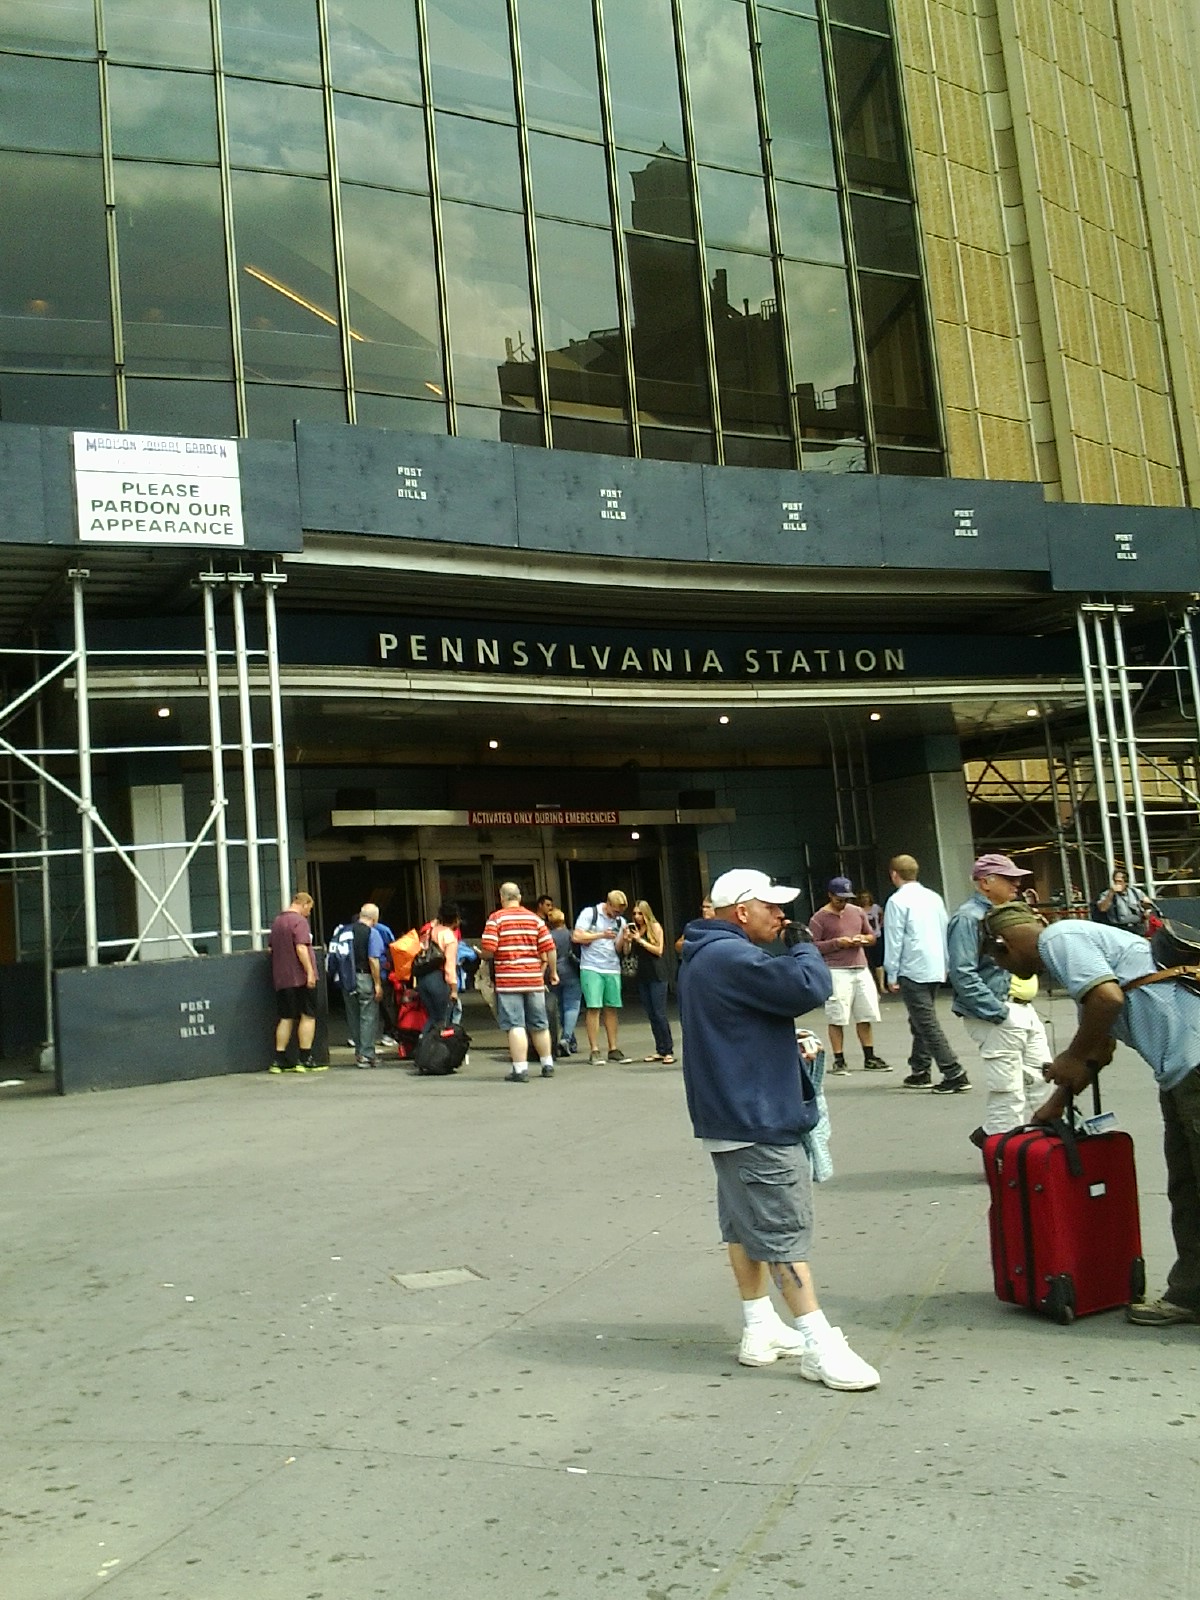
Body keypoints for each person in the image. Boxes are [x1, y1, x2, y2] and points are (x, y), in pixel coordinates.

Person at [678, 868, 879, 1390]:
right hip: (757, 1117)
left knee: (744, 1226)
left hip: (730, 1115)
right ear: (742, 911)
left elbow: (742, 1023)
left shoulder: (706, 955)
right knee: (784, 1234)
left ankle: (759, 1324)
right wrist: (806, 944)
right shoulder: (732, 956)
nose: (782, 915)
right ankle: (819, 1343)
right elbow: (806, 985)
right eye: (773, 906)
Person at [983, 901, 1200, 1328]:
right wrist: (1053, 1106)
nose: (1008, 971)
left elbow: (1107, 999)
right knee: (1188, 1191)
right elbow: (1099, 1047)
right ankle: (1190, 1295)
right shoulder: (1080, 953)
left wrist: (1069, 1054)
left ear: (1004, 944)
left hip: (1194, 1068)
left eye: (999, 960)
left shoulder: (1060, 938)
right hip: (1180, 1075)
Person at [947, 854, 1052, 1142]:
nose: (1016, 883)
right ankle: (1002, 1152)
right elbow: (961, 971)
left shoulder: (1006, 912)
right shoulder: (969, 918)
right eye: (1009, 879)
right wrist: (996, 1011)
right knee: (1008, 1090)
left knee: (1041, 1079)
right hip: (999, 1009)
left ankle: (1031, 1149)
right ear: (985, 882)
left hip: (1019, 1007)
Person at [884, 854, 970, 1093]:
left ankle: (953, 1070)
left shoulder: (897, 901)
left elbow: (894, 939)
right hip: (934, 965)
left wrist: (891, 973)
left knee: (926, 1022)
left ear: (894, 874)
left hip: (912, 966)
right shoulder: (934, 897)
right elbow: (945, 930)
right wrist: (946, 964)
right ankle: (919, 1069)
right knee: (920, 1019)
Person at [808, 876, 890, 1074]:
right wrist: (837, 943)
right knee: (837, 1015)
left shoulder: (857, 912)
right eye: (839, 899)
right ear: (830, 895)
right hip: (836, 969)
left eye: (846, 898)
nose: (843, 903)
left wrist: (863, 938)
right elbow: (812, 946)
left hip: (860, 966)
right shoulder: (819, 918)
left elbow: (871, 936)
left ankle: (869, 1056)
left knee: (865, 1013)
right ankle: (839, 1058)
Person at [481, 881, 559, 1082]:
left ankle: (520, 1069)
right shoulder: (535, 920)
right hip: (533, 979)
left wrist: (483, 954)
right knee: (540, 1024)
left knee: (516, 1024)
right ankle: (547, 1064)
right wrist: (553, 972)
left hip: (509, 980)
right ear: (520, 898)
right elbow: (549, 948)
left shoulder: (495, 919)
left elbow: (489, 949)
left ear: (501, 897)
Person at [573, 888, 631, 1064]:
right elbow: (576, 937)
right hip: (591, 966)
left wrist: (627, 940)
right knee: (594, 1007)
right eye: (615, 911)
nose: (616, 915)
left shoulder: (620, 921)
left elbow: (620, 950)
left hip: (612, 967)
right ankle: (594, 1050)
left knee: (612, 1008)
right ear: (608, 904)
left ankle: (613, 1048)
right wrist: (601, 935)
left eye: (620, 913)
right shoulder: (590, 913)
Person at [268, 890, 319, 1073]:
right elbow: (301, 948)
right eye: (309, 909)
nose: (309, 913)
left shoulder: (277, 922)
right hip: (300, 978)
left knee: (286, 1017)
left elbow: (271, 949)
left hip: (282, 979)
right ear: (304, 904)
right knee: (308, 1016)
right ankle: (304, 1058)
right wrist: (310, 973)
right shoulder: (299, 922)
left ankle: (278, 1059)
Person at [629, 899, 674, 1063]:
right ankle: (659, 1048)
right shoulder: (636, 930)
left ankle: (668, 1049)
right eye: (634, 914)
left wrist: (641, 940)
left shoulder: (654, 927)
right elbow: (628, 952)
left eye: (640, 913)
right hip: (643, 974)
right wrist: (629, 939)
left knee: (659, 1012)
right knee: (650, 1013)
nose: (637, 917)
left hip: (657, 973)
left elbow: (659, 950)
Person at [347, 902, 386, 1069]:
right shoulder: (372, 932)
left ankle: (358, 1052)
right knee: (368, 1017)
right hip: (364, 976)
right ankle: (367, 1054)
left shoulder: (344, 931)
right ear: (374, 918)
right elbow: (373, 959)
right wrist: (377, 984)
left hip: (346, 979)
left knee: (353, 1016)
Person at [416, 901, 460, 1040]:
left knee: (432, 1016)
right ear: (456, 919)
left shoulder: (430, 930)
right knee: (441, 1019)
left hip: (423, 978)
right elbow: (449, 966)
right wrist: (453, 989)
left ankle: (422, 1043)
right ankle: (435, 1051)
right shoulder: (449, 937)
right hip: (438, 980)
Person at [547, 908, 582, 1058]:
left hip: (553, 972)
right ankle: (566, 1038)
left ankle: (570, 1040)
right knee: (572, 1006)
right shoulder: (571, 934)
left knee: (560, 1007)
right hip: (571, 972)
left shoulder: (548, 936)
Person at [1092, 867, 1153, 934]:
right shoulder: (1106, 894)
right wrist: (1111, 894)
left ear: (1126, 882)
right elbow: (1103, 908)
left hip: (1136, 927)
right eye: (1115, 881)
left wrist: (1147, 908)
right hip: (1119, 928)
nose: (1117, 884)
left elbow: (1148, 905)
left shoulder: (1136, 892)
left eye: (1120, 881)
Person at [857, 889, 886, 996]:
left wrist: (880, 925)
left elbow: (882, 915)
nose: (865, 899)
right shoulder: (858, 910)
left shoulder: (875, 908)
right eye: (863, 897)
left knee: (879, 962)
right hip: (864, 938)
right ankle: (872, 986)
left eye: (867, 897)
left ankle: (882, 986)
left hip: (877, 936)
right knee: (868, 962)